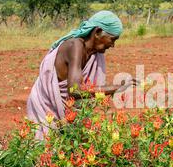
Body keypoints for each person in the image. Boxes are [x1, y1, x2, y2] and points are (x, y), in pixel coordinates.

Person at [27, 10, 136, 139]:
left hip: (67, 109)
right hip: (46, 105)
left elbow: (85, 90)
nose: (112, 45)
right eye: (112, 39)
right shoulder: (75, 46)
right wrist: (116, 87)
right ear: (97, 32)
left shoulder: (94, 54)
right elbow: (75, 90)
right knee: (44, 150)